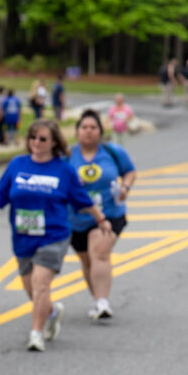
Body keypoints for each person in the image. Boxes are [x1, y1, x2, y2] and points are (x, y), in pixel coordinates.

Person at [0, 118, 109, 352]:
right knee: (33, 290)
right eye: (33, 138)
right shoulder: (17, 164)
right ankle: (52, 312)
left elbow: (82, 200)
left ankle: (36, 333)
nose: (36, 142)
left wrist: (101, 219)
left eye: (43, 139)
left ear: (54, 142)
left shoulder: (64, 169)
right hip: (23, 237)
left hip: (53, 236)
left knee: (40, 284)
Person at [67, 109, 136, 321]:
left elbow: (130, 171)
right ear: (77, 131)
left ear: (100, 131)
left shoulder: (113, 152)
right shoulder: (67, 156)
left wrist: (125, 187)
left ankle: (102, 301)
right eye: (84, 127)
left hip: (109, 213)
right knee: (87, 259)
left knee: (99, 251)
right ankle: (96, 298)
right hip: (76, 218)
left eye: (93, 127)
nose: (88, 131)